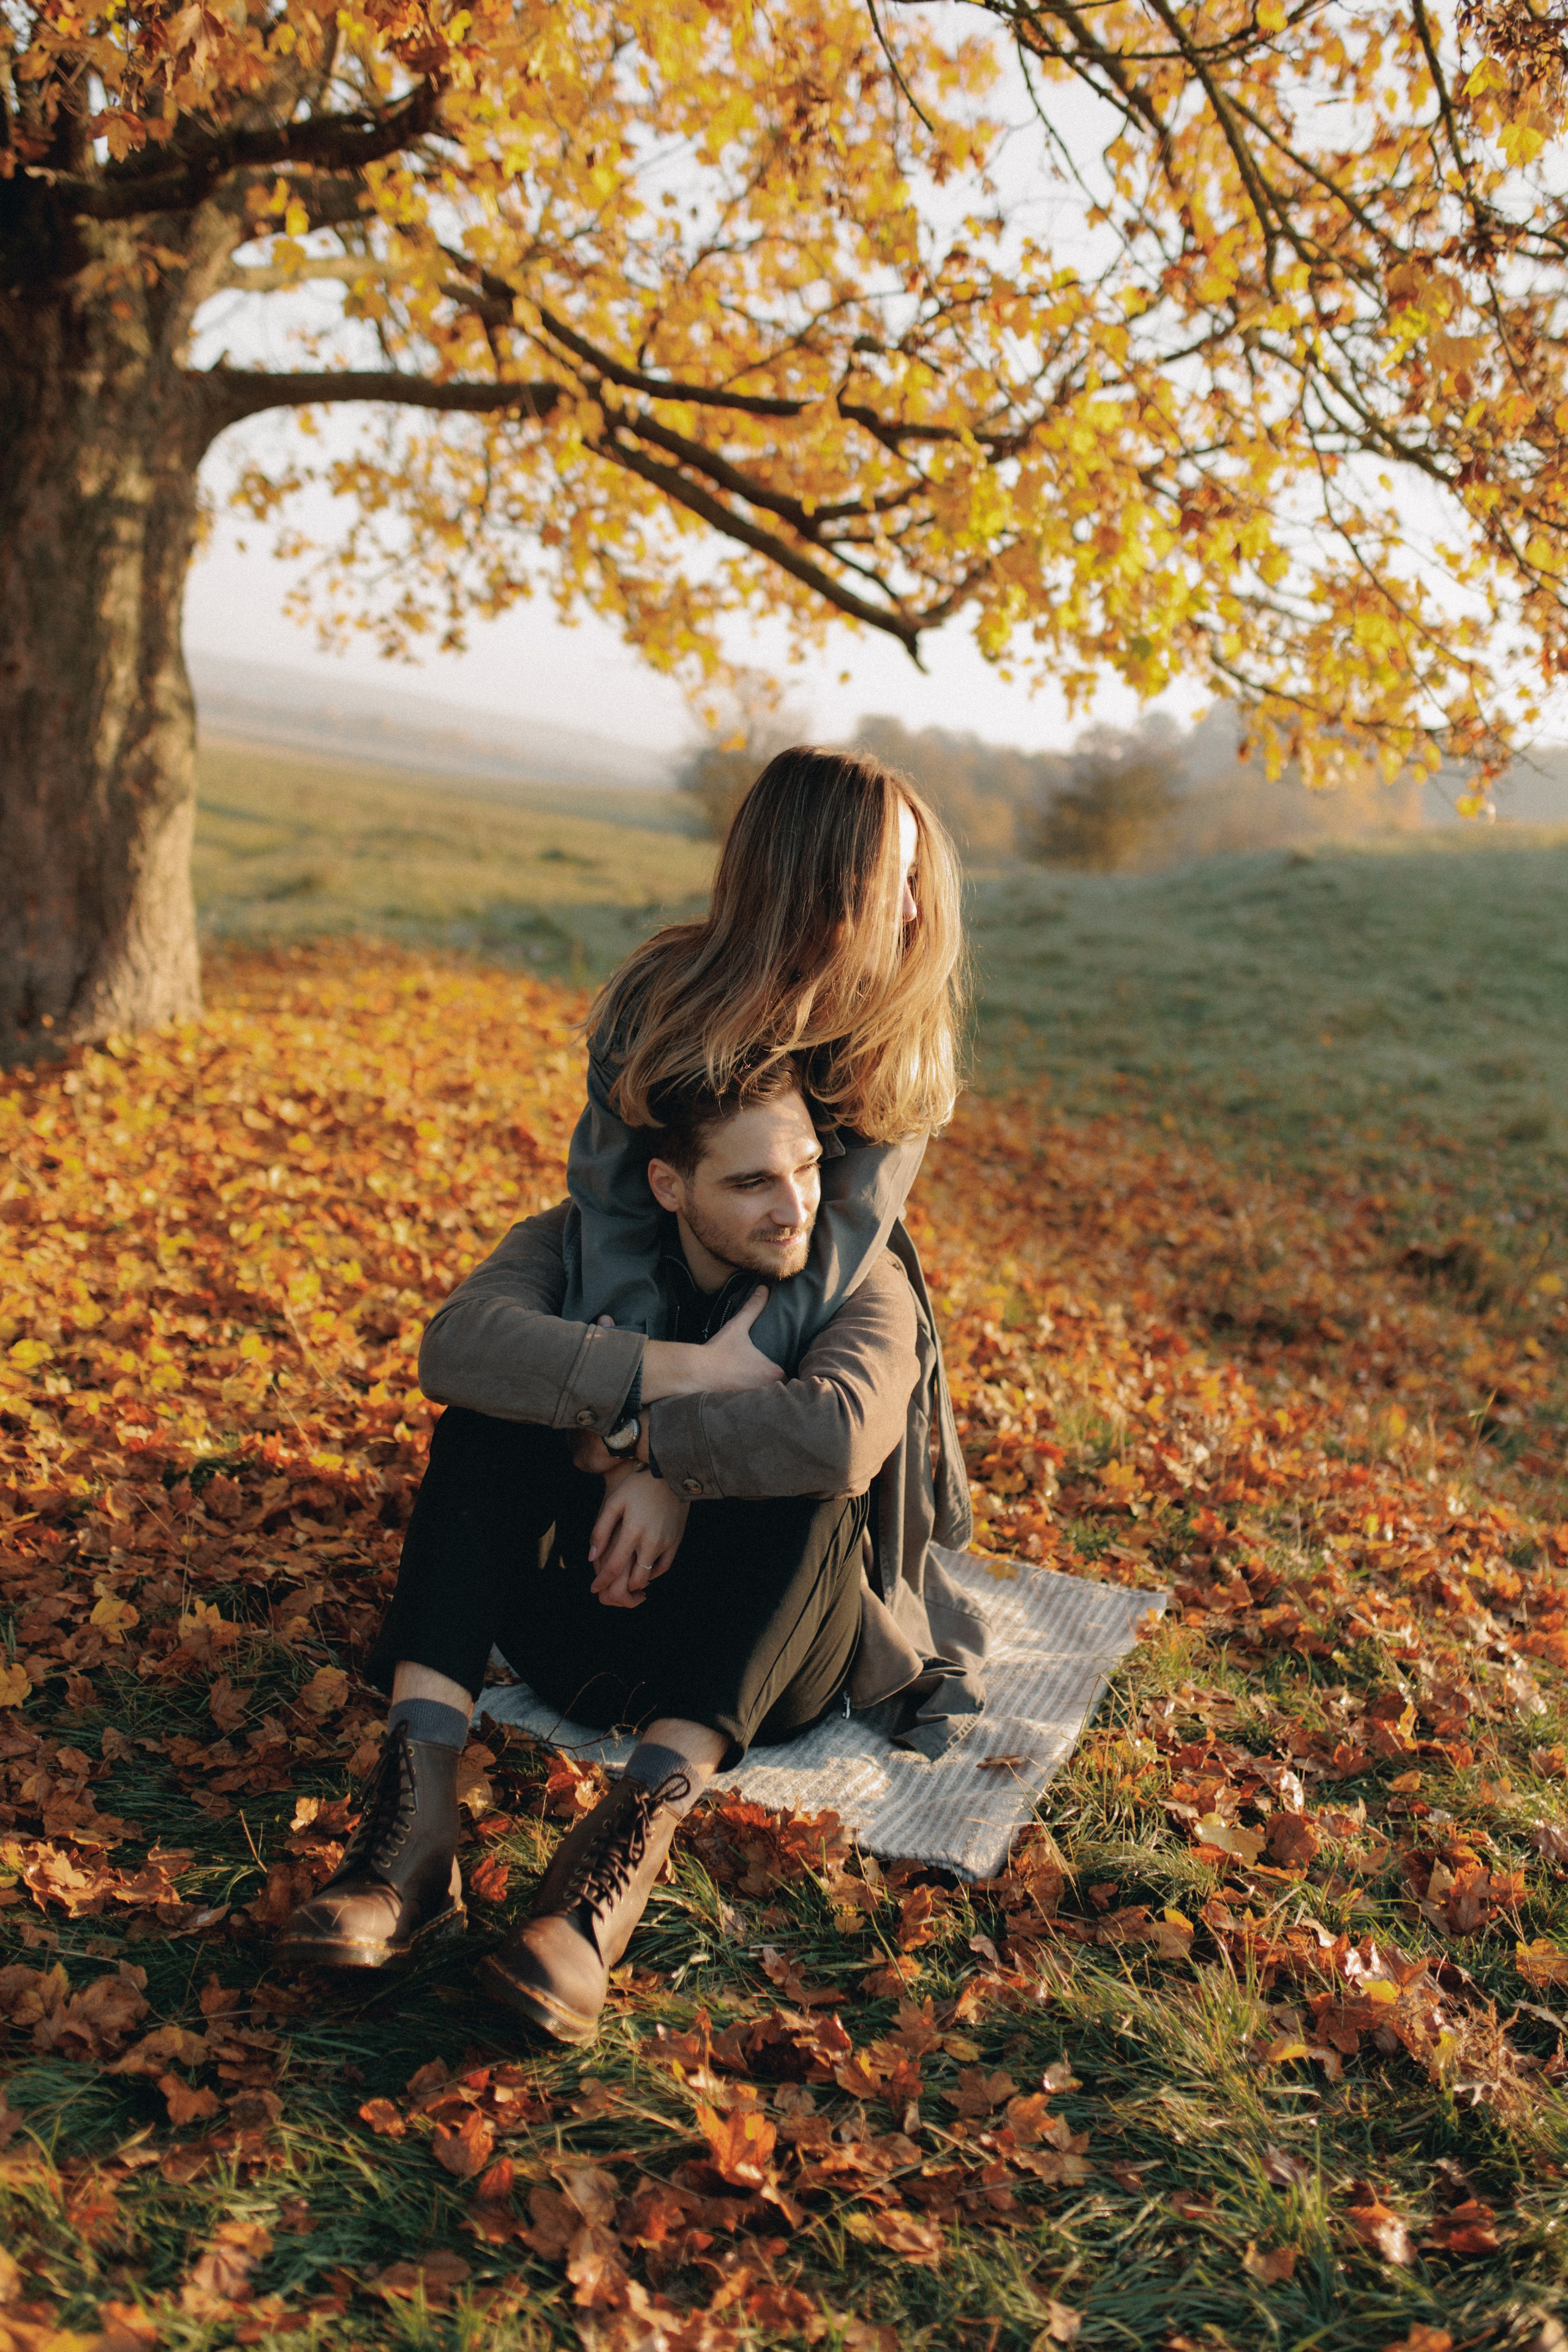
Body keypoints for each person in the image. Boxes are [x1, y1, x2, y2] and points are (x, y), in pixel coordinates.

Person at [277, 1062, 934, 2043]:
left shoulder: (861, 1277)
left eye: (805, 1170)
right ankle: (410, 1832)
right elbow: (456, 1346)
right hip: (583, 1629)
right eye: (751, 1182)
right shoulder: (572, 1246)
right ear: (669, 1186)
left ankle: (608, 1871)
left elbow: (842, 1435)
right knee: (485, 1422)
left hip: (758, 1666)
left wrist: (655, 1457)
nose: (794, 1206)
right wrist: (682, 1374)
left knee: (813, 1483)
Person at [564, 746, 987, 1746]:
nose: (918, 912)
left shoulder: (902, 1031)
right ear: (818, 885)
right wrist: (623, 1428)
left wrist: (668, 1463)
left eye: (922, 883)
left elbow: (828, 1263)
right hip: (665, 1286)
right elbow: (614, 1214)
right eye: (898, 883)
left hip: (815, 1304)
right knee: (547, 1423)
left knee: (815, 1444)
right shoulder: (658, 995)